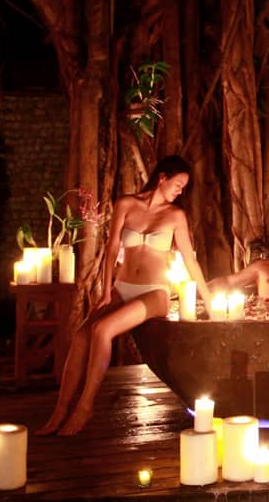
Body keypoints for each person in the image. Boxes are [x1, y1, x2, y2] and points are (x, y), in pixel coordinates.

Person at [36, 155, 209, 436]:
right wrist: (106, 291)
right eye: (177, 184)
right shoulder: (126, 205)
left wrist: (209, 300)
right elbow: (111, 245)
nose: (180, 191)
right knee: (81, 337)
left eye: (183, 188)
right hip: (122, 287)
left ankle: (85, 407)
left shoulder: (176, 216)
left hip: (154, 293)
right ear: (162, 177)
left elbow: (191, 261)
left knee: (102, 330)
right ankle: (60, 410)